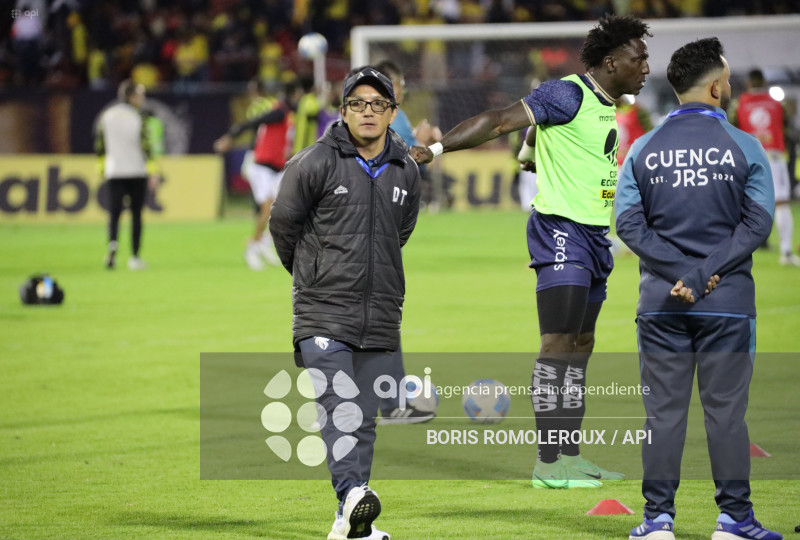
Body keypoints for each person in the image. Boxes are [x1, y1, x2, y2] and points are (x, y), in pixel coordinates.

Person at [411, 14, 651, 489]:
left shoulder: (605, 103)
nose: (646, 67)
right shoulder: (568, 92)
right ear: (610, 61)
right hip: (560, 230)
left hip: (594, 236)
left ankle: (569, 454)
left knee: (581, 348)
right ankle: (546, 462)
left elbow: (536, 133)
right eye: (637, 58)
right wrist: (436, 150)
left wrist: (528, 154)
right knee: (557, 344)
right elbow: (500, 120)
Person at [615, 38, 782, 540]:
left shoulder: (643, 148)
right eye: (727, 79)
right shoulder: (745, 147)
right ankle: (734, 521)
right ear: (715, 86)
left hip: (661, 305)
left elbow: (627, 224)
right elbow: (758, 224)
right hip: (727, 303)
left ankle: (656, 523)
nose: (728, 86)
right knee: (726, 415)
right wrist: (705, 271)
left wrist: (680, 275)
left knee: (663, 415)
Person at [269, 66, 421, 540]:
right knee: (339, 404)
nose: (368, 112)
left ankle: (349, 520)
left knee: (367, 418)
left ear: (393, 113)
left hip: (380, 311)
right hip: (322, 309)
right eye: (358, 103)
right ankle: (354, 491)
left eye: (378, 104)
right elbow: (283, 226)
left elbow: (401, 232)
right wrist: (313, 274)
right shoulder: (313, 162)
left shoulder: (406, 169)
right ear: (343, 111)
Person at [214, 80, 303, 270]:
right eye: (298, 95)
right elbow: (252, 123)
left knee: (285, 210)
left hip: (277, 167)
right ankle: (252, 248)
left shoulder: (289, 115)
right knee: (267, 209)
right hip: (262, 166)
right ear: (293, 95)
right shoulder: (278, 112)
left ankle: (263, 244)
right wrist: (231, 135)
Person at [731, 69, 800, 266]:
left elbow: (733, 131)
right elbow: (787, 129)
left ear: (748, 84)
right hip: (774, 157)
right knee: (782, 204)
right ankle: (786, 253)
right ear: (764, 81)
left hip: (748, 158)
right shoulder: (777, 104)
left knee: (743, 206)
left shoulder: (739, 104)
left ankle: (738, 255)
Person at [95, 79, 158, 271]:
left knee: (114, 214)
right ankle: (135, 257)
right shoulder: (139, 117)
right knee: (136, 214)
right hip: (136, 171)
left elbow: (100, 145)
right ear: (131, 97)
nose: (142, 99)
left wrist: (102, 168)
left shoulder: (107, 115)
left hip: (114, 171)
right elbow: (146, 146)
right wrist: (153, 171)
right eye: (140, 95)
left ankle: (112, 247)